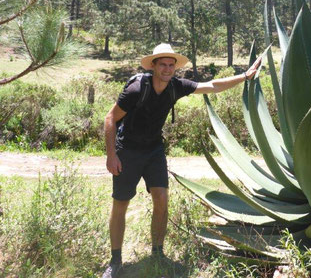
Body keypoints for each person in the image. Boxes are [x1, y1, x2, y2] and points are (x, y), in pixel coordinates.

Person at [102, 43, 261, 278]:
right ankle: (115, 261)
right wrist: (112, 155)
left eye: (171, 65)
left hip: (154, 149)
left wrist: (245, 76)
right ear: (154, 66)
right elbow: (110, 118)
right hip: (128, 150)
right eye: (163, 64)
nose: (167, 69)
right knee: (121, 203)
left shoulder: (176, 86)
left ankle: (158, 254)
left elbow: (212, 86)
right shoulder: (137, 89)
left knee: (162, 199)